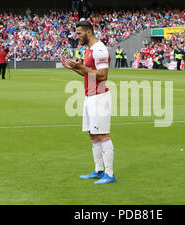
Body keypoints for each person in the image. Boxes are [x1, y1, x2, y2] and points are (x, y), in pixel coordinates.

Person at [61, 20, 116, 184]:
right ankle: (99, 170)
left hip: (99, 97)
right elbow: (89, 74)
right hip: (89, 96)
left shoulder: (99, 49)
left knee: (102, 133)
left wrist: (81, 67)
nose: (76, 37)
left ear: (88, 32)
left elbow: (103, 75)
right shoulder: (89, 50)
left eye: (79, 33)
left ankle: (110, 174)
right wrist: (75, 68)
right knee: (92, 134)